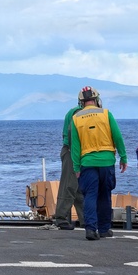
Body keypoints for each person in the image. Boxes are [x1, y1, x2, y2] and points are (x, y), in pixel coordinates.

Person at [69, 86, 127, 241]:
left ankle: (90, 229)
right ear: (96, 99)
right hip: (107, 161)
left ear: (81, 102)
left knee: (90, 196)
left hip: (87, 162)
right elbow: (118, 137)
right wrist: (123, 157)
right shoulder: (106, 114)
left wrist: (76, 167)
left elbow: (75, 146)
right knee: (104, 195)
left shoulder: (76, 118)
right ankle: (104, 229)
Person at [52, 96, 84, 230]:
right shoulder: (79, 113)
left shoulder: (73, 111)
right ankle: (60, 217)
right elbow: (73, 132)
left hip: (72, 151)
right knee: (69, 185)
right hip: (73, 152)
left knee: (78, 188)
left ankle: (85, 219)